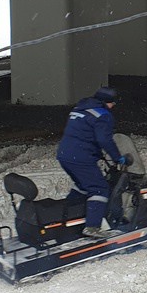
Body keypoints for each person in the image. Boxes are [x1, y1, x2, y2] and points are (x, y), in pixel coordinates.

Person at [56, 87, 127, 240]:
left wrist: (96, 153)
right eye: (112, 103)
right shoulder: (103, 115)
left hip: (64, 155)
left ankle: (67, 219)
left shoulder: (80, 108)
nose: (113, 106)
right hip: (81, 157)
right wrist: (117, 158)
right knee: (99, 189)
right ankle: (92, 227)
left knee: (82, 187)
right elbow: (104, 139)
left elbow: (81, 134)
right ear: (107, 102)